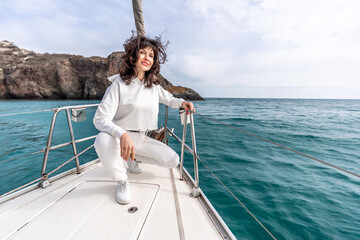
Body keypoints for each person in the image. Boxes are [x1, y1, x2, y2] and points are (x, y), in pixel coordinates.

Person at [93, 35, 195, 205]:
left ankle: (132, 158)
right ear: (133, 57)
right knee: (102, 140)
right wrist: (122, 133)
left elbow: (169, 99)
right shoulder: (118, 85)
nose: (147, 58)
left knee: (173, 160)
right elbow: (99, 119)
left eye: (151, 55)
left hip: (143, 138)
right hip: (121, 138)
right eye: (142, 53)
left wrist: (183, 103)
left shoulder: (153, 85)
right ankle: (122, 180)